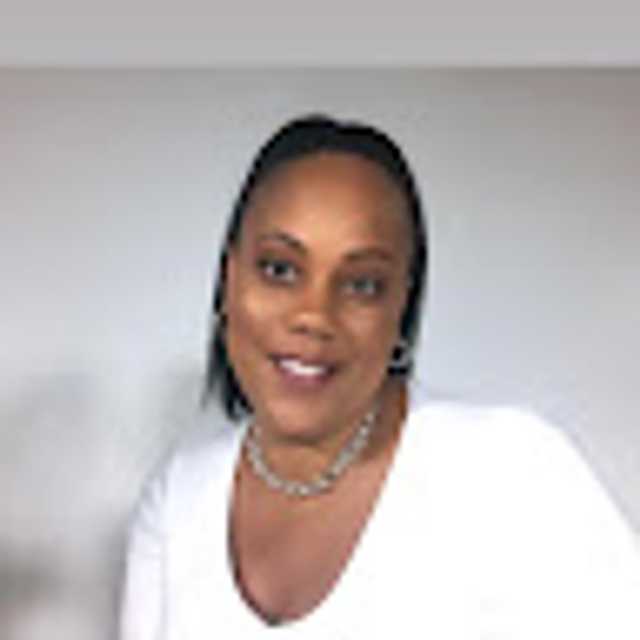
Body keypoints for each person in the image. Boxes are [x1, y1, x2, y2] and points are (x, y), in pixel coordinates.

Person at [119, 115, 640, 639]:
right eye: (280, 269)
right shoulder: (178, 498)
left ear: (400, 309)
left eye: (362, 285)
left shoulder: (514, 470)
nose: (313, 316)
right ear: (229, 279)